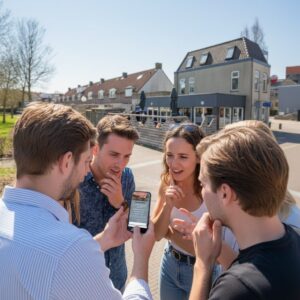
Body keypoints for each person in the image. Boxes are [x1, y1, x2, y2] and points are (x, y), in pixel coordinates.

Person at [0, 102, 155, 299]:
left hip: (114, 273)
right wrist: (141, 259)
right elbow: (67, 254)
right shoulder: (71, 247)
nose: (85, 169)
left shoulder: (126, 178)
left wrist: (118, 210)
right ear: (66, 162)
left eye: (127, 157)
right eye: (85, 161)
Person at [190, 127, 300, 300]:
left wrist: (203, 265)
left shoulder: (235, 289)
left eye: (203, 184)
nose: (201, 192)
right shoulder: (296, 234)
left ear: (225, 193)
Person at [73, 114, 139, 291]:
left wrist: (121, 203)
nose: (120, 164)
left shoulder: (127, 177)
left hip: (117, 278)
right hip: (81, 280)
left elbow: (140, 227)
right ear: (95, 149)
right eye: (114, 154)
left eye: (127, 156)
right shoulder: (74, 181)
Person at [152, 123, 206, 300]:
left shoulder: (210, 190)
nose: (173, 164)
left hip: (200, 271)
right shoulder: (166, 183)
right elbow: (157, 234)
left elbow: (209, 250)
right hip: (169, 264)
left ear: (198, 158)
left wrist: (171, 234)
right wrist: (168, 205)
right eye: (169, 155)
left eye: (183, 156)